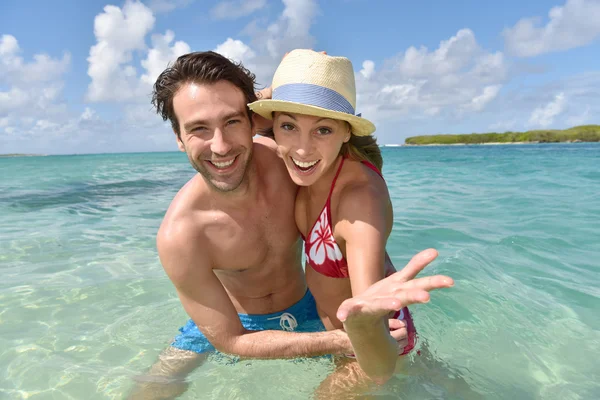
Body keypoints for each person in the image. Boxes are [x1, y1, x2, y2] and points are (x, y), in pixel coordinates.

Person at [127, 51, 451, 399]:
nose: (220, 147)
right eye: (199, 129)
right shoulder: (181, 235)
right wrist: (342, 338)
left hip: (310, 305)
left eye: (232, 122)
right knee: (152, 387)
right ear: (178, 137)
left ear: (252, 122)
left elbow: (305, 114)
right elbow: (232, 339)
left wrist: (298, 73)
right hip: (239, 326)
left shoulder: (289, 160)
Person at [248, 49, 454, 390]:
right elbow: (226, 122)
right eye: (288, 126)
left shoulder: (359, 201)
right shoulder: (309, 166)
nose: (301, 149)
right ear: (273, 125)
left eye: (323, 130)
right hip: (340, 339)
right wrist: (280, 87)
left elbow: (379, 357)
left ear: (347, 132)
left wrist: (358, 333)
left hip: (375, 345)